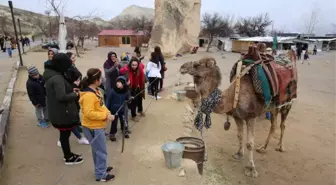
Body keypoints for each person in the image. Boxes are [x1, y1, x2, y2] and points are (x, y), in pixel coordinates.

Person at [43, 53, 83, 165]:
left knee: (64, 135)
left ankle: (68, 154)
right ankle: (68, 157)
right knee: (65, 136)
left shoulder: (51, 74)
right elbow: (61, 96)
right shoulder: (57, 78)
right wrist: (75, 94)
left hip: (58, 112)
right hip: (62, 113)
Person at [79, 68, 115, 182]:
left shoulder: (96, 91)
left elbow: (101, 105)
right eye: (100, 78)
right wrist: (105, 116)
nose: (102, 80)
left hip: (97, 126)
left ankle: (101, 168)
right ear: (96, 81)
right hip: (93, 127)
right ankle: (101, 175)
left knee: (97, 150)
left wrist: (108, 112)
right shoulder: (89, 95)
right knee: (101, 151)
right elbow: (89, 113)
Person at [55, 52, 89, 147]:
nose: (74, 59)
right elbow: (67, 83)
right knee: (69, 120)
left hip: (74, 94)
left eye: (74, 57)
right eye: (72, 58)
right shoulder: (66, 70)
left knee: (72, 117)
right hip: (70, 95)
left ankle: (73, 133)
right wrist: (74, 84)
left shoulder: (72, 66)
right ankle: (77, 138)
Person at [106, 76, 131, 141]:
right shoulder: (113, 91)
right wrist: (107, 109)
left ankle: (125, 131)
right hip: (115, 110)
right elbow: (108, 100)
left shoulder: (126, 91)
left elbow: (128, 99)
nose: (117, 83)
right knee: (114, 122)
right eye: (117, 82)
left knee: (124, 121)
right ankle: (112, 134)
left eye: (119, 82)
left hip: (123, 109)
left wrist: (130, 100)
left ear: (123, 84)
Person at [120, 57, 145, 122]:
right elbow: (121, 71)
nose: (134, 66)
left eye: (135, 65)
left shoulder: (140, 68)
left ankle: (140, 110)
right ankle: (133, 115)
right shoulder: (127, 69)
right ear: (130, 64)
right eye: (132, 65)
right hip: (131, 88)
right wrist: (126, 68)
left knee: (140, 99)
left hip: (138, 86)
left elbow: (142, 66)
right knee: (133, 101)